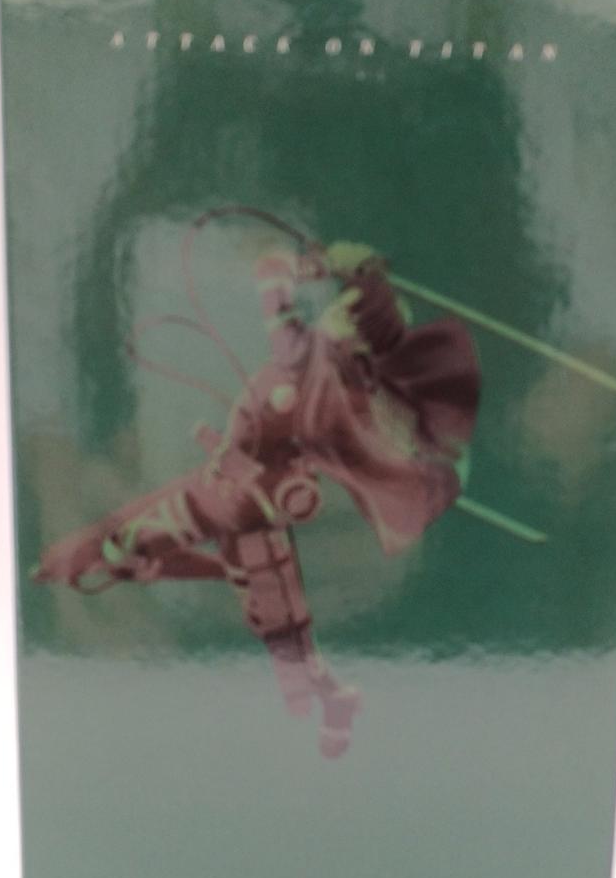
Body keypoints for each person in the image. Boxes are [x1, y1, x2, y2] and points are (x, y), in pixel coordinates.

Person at [34, 240, 481, 759]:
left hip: (262, 516)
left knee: (268, 606)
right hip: (222, 515)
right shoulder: (299, 357)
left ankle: (324, 699)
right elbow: (277, 284)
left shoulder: (350, 398)